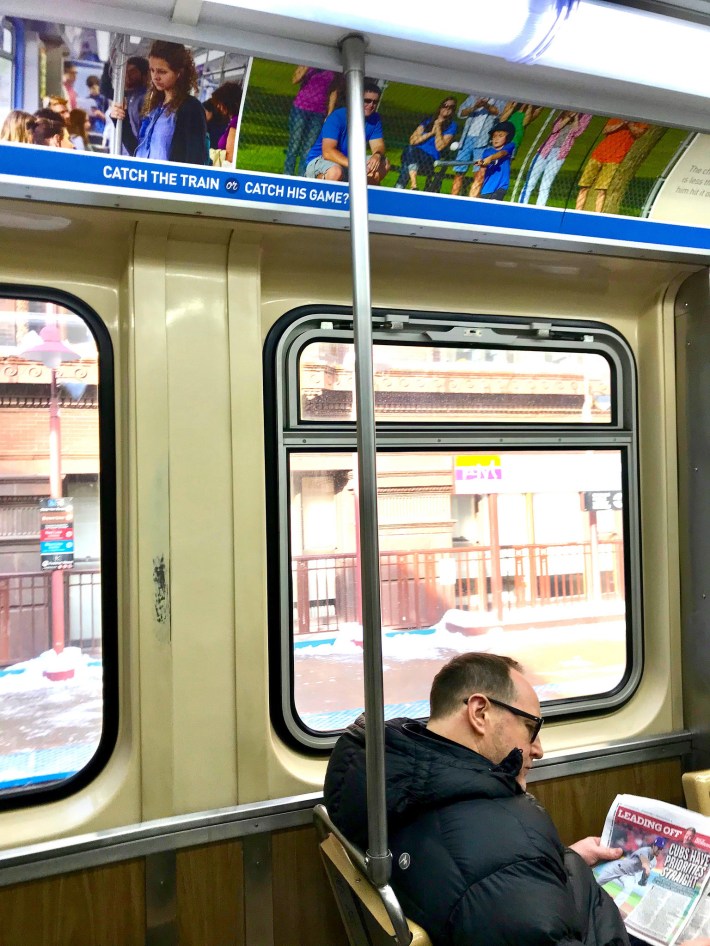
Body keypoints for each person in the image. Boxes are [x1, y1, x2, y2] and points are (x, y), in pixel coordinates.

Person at [325, 652, 710, 946]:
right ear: (480, 713)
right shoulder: (500, 845)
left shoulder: (399, 785)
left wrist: (568, 861)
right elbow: (501, 883)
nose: (538, 749)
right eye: (531, 727)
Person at [110, 41, 208, 165]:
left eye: (162, 72)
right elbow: (138, 152)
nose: (155, 77)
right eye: (152, 70)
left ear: (179, 73)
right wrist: (121, 120)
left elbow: (195, 160)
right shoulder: (154, 106)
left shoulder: (191, 108)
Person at [304, 80, 389, 185]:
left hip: (350, 162)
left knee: (384, 164)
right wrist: (356, 165)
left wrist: (377, 155)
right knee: (336, 172)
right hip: (321, 160)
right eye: (367, 101)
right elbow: (328, 152)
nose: (371, 105)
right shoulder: (337, 117)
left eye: (375, 102)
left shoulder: (375, 119)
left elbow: (378, 145)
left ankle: (359, 196)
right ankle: (314, 189)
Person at [575, 118, 649, 213]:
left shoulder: (642, 122)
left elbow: (638, 133)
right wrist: (622, 123)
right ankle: (577, 211)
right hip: (599, 154)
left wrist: (630, 123)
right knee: (584, 186)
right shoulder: (617, 118)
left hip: (615, 158)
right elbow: (605, 130)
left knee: (602, 190)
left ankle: (597, 214)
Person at [521, 111, 592, 206]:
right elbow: (555, 129)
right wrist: (569, 116)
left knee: (546, 185)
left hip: (559, 155)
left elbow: (577, 133)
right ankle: (522, 205)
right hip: (545, 151)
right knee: (530, 182)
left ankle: (539, 208)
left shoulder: (586, 115)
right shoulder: (564, 112)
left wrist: (575, 118)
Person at [284, 66, 338, 176]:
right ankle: (287, 175)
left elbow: (334, 91)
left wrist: (329, 114)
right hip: (300, 108)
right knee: (294, 145)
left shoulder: (333, 69)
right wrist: (308, 67)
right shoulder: (308, 65)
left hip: (319, 112)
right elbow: (295, 80)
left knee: (308, 149)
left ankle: (302, 177)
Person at [395, 97, 457, 190]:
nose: (447, 108)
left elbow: (439, 147)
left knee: (407, 160)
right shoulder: (428, 121)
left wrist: (438, 127)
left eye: (451, 107)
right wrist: (430, 133)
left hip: (429, 159)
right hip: (414, 154)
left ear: (453, 110)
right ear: (440, 107)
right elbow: (412, 141)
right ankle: (413, 185)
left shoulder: (452, 126)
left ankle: (400, 188)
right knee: (410, 149)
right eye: (445, 106)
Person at [450, 94, 506, 196]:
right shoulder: (473, 96)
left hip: (483, 140)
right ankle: (453, 198)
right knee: (459, 172)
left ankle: (472, 200)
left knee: (479, 174)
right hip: (467, 138)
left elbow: (501, 113)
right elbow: (460, 113)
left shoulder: (500, 99)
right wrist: (475, 107)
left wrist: (486, 106)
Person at [469, 120, 516, 200]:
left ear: (508, 137)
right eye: (494, 136)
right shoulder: (487, 152)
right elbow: (481, 174)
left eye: (500, 136)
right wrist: (483, 163)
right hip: (486, 189)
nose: (496, 139)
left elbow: (502, 154)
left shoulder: (510, 146)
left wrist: (490, 158)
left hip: (501, 187)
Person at [210, 80, 243, 164]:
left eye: (220, 102)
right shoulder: (233, 121)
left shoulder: (235, 121)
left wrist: (211, 154)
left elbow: (230, 157)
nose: (218, 106)